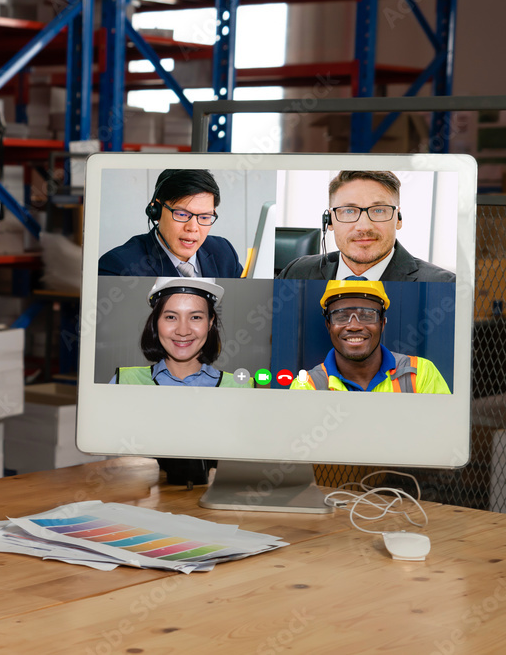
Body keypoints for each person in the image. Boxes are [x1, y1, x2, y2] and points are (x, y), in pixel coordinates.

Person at [110, 276, 251, 485]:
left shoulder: (241, 388)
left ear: (210, 322)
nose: (183, 331)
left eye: (195, 317)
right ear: (156, 322)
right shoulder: (125, 382)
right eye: (170, 317)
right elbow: (113, 466)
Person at [277, 170, 455, 282]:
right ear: (330, 221)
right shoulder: (297, 273)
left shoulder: (442, 285)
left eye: (378, 211)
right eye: (349, 211)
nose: (363, 226)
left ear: (398, 219)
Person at [290, 280, 450, 393]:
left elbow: (443, 436)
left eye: (367, 315)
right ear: (328, 326)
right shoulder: (307, 385)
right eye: (341, 316)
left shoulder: (420, 373)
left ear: (382, 323)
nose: (354, 326)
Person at [98, 169, 243, 278]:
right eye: (182, 214)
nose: (192, 228)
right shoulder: (119, 267)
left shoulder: (224, 253)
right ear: (156, 211)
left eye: (204, 217)